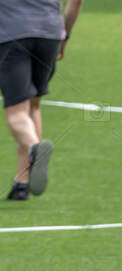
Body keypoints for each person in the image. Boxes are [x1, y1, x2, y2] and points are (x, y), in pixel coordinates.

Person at [1, 0, 79, 200]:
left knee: (16, 112)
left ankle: (34, 148)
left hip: (12, 34)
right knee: (33, 105)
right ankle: (22, 183)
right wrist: (65, 35)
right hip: (50, 34)